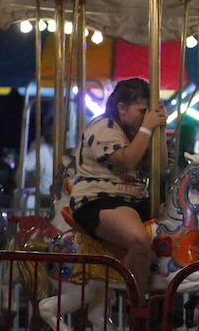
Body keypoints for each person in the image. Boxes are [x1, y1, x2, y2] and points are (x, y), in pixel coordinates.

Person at [69, 78, 168, 300]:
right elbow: (125, 161)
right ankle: (137, 303)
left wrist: (160, 128)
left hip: (134, 199)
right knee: (139, 241)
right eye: (142, 111)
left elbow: (159, 167)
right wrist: (147, 127)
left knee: (180, 223)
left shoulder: (134, 132)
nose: (146, 116)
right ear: (122, 108)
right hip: (101, 199)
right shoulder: (103, 127)